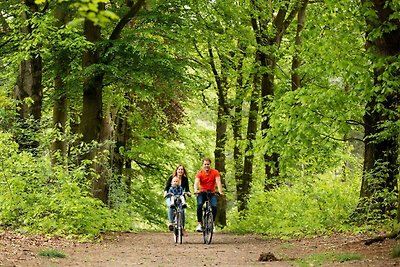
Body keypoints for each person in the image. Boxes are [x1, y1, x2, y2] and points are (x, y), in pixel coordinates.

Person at [193, 157, 223, 232]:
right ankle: (199, 224)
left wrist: (220, 191)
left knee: (214, 206)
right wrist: (196, 190)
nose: (206, 166)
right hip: (202, 193)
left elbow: (218, 182)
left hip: (211, 193)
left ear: (210, 164)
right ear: (203, 165)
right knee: (199, 205)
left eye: (208, 164)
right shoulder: (200, 173)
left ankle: (212, 224)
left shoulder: (215, 172)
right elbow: (196, 182)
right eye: (205, 164)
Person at [163, 164, 191, 231]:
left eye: (182, 169)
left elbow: (187, 189)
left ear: (183, 171)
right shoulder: (172, 177)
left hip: (180, 196)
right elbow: (166, 187)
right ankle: (171, 223)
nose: (180, 171)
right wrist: (165, 194)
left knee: (182, 211)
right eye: (179, 169)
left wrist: (188, 193)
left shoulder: (185, 179)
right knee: (171, 206)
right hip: (171, 196)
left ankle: (182, 228)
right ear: (176, 170)